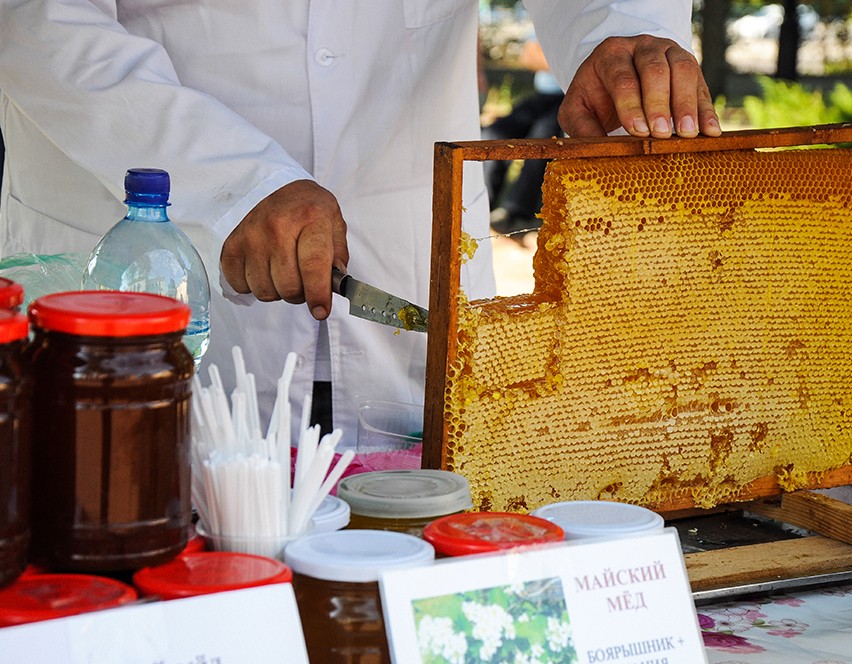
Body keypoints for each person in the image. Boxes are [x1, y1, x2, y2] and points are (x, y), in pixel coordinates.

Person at [0, 1, 721, 447]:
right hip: (149, 246)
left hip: (407, 251)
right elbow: (38, 20)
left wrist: (619, 31)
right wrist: (227, 181)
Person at [482, 37, 564, 237]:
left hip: (571, 99)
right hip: (543, 96)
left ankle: (515, 212)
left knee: (542, 138)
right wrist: (570, 63)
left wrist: (552, 57)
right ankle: (482, 206)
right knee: (493, 134)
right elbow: (529, 56)